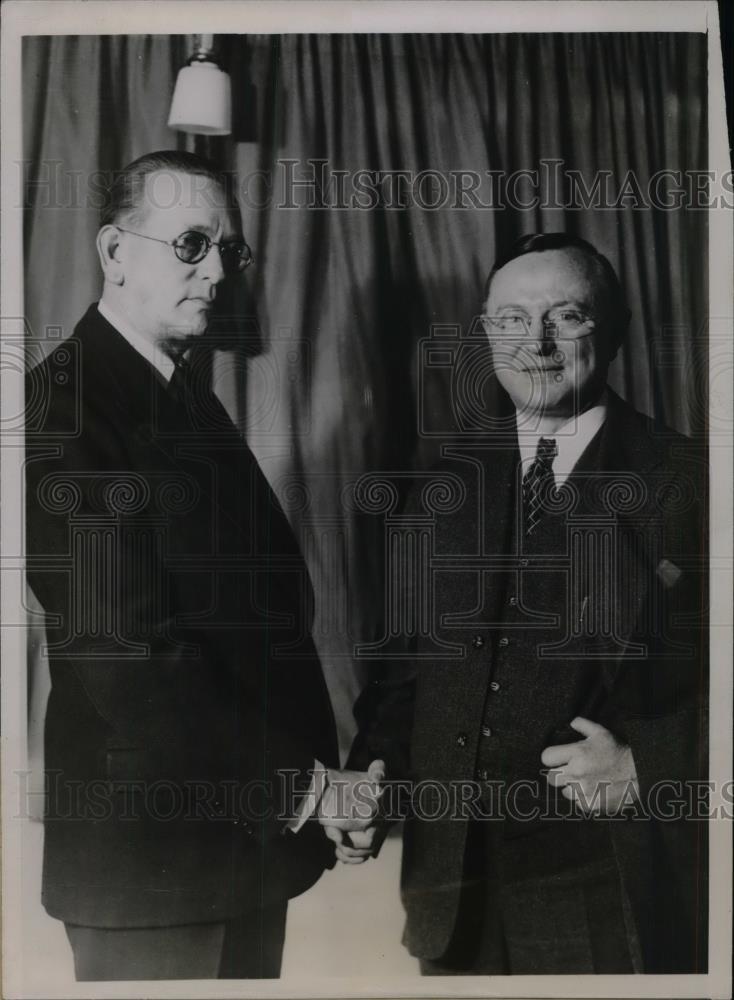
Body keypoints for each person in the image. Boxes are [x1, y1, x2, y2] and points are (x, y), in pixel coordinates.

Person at [25, 150, 381, 981]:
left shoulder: (177, 391)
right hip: (155, 874)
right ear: (116, 252)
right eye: (192, 244)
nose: (217, 270)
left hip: (239, 856)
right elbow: (130, 660)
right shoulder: (62, 409)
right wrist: (307, 791)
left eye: (231, 250)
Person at [340, 233, 708, 974]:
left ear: (615, 330)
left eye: (564, 316)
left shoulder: (694, 484)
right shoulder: (439, 488)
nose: (534, 343)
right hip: (453, 899)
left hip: (613, 888)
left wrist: (651, 767)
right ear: (485, 335)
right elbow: (403, 677)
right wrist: (370, 779)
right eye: (510, 320)